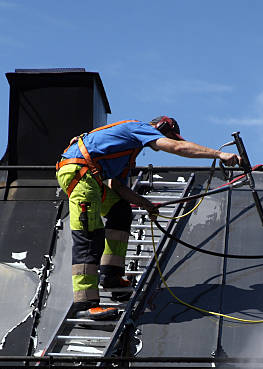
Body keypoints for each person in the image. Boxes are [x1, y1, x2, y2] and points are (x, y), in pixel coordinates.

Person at [56, 116, 241, 320]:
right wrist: (219, 154)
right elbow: (177, 148)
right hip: (80, 174)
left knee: (120, 210)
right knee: (90, 235)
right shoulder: (139, 128)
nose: (165, 141)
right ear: (160, 127)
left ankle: (111, 276)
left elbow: (117, 187)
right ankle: (86, 303)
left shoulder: (124, 157)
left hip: (90, 176)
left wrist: (147, 205)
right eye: (168, 135)